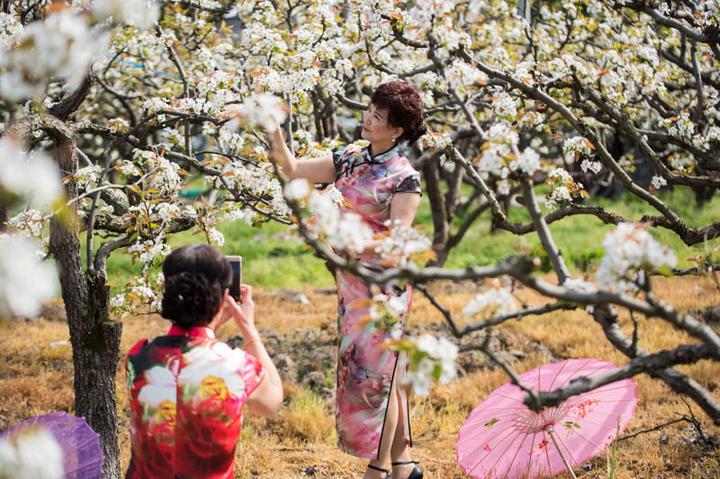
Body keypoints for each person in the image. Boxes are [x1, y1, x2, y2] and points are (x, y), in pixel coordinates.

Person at [269, 80, 426, 479]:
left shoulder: (404, 176)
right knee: (385, 369)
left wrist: (342, 237)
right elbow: (292, 169)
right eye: (370, 110)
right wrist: (271, 126)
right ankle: (404, 465)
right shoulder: (352, 157)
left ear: (397, 130)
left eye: (378, 116)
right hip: (350, 282)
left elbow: (397, 239)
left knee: (376, 376)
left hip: (382, 286)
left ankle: (380, 467)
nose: (368, 118)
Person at [125, 244, 283, 479]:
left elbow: (187, 354)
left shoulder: (139, 357)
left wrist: (211, 324)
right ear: (222, 298)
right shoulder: (237, 366)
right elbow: (271, 404)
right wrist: (248, 327)